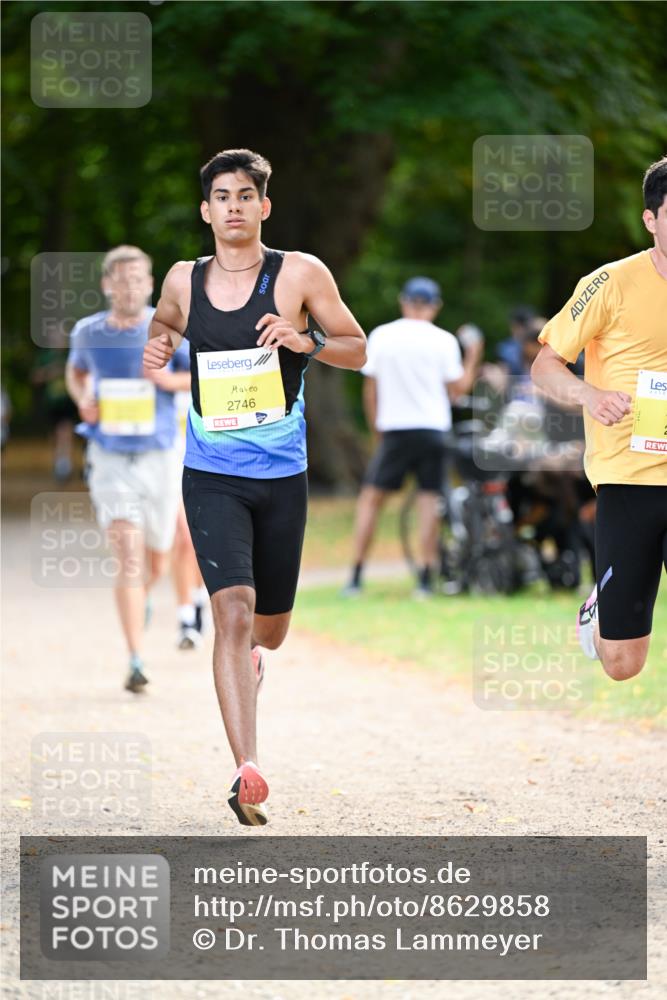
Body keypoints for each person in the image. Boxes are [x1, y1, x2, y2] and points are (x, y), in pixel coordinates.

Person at [142, 148, 366, 826]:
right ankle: (248, 768)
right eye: (222, 196)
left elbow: (356, 345)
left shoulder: (298, 272)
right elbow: (163, 325)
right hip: (211, 475)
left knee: (269, 628)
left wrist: (305, 342)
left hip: (281, 477)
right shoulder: (184, 279)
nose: (233, 206)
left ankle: (254, 665)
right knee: (232, 613)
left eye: (246, 195)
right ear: (204, 209)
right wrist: (157, 343)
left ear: (263, 206)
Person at [531, 155, 667, 681]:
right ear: (650, 219)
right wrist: (589, 395)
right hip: (626, 478)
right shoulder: (609, 283)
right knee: (622, 662)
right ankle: (600, 612)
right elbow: (545, 366)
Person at [65, 245, 191, 692]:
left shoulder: (167, 329)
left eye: (137, 278)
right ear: (106, 284)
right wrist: (84, 400)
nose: (129, 286)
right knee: (129, 556)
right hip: (110, 456)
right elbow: (77, 374)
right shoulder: (88, 331)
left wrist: (166, 380)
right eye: (120, 279)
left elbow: (197, 376)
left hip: (158, 454)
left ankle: (143, 602)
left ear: (150, 283)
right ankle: (136, 659)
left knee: (157, 556)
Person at [344, 277, 482, 598]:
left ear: (403, 301)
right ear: (435, 306)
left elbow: (370, 388)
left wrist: (376, 429)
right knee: (428, 501)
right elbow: (458, 388)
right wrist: (473, 355)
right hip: (433, 429)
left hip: (394, 428)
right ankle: (425, 579)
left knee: (371, 500)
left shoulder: (382, 335)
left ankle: (355, 576)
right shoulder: (444, 340)